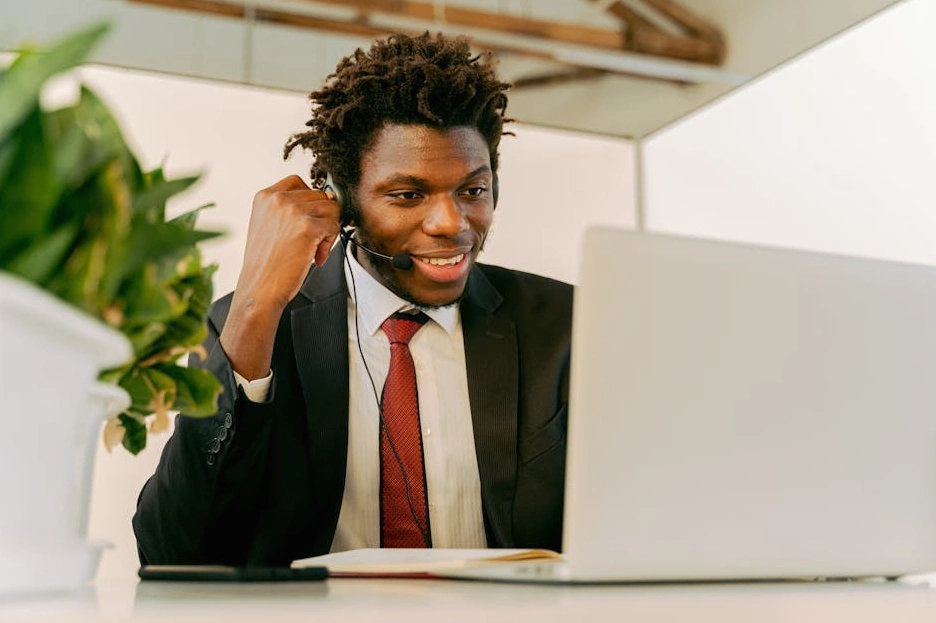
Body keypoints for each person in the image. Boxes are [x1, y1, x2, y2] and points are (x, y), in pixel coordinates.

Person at [133, 32, 572, 566]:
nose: (451, 223)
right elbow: (170, 550)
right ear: (340, 200)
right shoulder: (251, 323)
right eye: (408, 195)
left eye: (472, 191)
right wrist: (254, 307)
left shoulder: (565, 324)